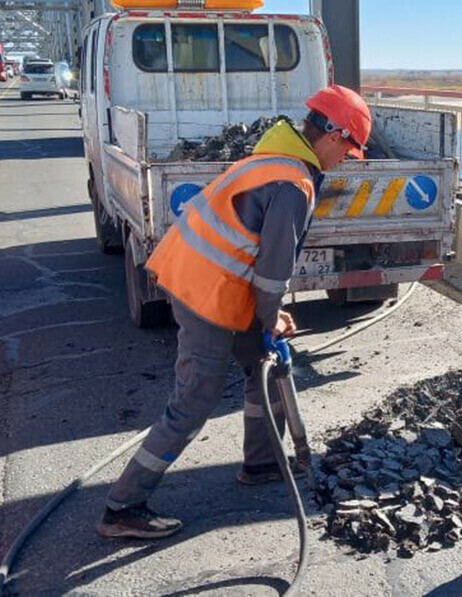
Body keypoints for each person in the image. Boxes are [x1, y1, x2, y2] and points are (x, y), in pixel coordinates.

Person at [97, 85, 372, 539]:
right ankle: (122, 506)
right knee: (195, 398)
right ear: (335, 136)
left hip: (212, 279)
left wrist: (269, 322)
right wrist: (271, 315)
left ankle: (262, 463)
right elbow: (271, 274)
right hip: (204, 290)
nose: (346, 160)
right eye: (349, 151)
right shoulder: (293, 183)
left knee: (263, 362)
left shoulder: (274, 159)